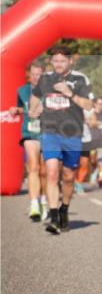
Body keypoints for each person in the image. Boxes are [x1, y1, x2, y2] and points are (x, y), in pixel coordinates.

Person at [29, 47, 94, 234]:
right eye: (55, 61)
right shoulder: (45, 79)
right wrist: (33, 110)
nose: (58, 64)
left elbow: (89, 105)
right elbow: (35, 98)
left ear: (70, 61)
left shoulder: (80, 79)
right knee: (51, 173)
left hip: (72, 134)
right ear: (51, 62)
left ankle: (64, 209)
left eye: (63, 61)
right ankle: (54, 217)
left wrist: (69, 93)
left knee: (68, 177)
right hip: (50, 132)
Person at [8, 61, 46, 221]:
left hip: (47, 133)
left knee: (44, 171)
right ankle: (34, 205)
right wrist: (15, 110)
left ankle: (44, 200)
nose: (36, 77)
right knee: (33, 167)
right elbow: (20, 108)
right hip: (29, 133)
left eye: (39, 74)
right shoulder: (22, 91)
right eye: (34, 74)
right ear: (29, 75)